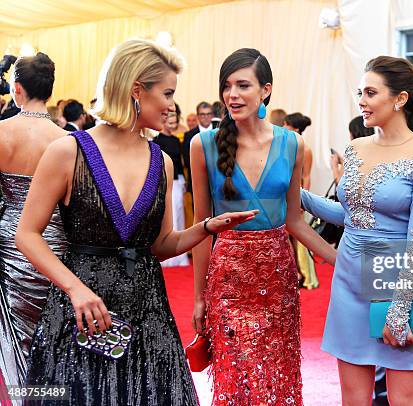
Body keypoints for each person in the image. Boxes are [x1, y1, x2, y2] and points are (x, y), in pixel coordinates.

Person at [16, 39, 257, 405]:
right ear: (136, 90)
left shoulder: (162, 161)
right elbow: (27, 235)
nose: (172, 105)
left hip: (149, 317)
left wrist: (206, 227)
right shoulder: (67, 151)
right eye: (168, 93)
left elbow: (161, 246)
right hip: (83, 315)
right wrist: (74, 289)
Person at [190, 48, 336, 405]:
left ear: (265, 90)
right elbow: (200, 228)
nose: (232, 95)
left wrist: (340, 259)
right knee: (235, 376)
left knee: (276, 375)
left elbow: (295, 222)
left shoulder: (292, 144)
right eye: (226, 86)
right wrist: (198, 298)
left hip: (277, 277)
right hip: (227, 278)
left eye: (243, 85)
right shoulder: (203, 145)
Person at [301, 56, 413, 405]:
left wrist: (399, 311)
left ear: (400, 99)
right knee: (353, 398)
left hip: (402, 285)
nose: (361, 101)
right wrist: (299, 195)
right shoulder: (354, 149)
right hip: (350, 281)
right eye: (359, 92)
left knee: (403, 400)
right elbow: (351, 215)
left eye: (370, 92)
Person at [0, 52, 67, 397]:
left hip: (9, 242)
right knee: (53, 335)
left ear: (17, 89)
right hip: (55, 243)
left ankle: (23, 397)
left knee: (16, 337)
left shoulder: (2, 133)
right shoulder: (67, 141)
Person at [283, 112, 317, 289]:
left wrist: (302, 200)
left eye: (286, 124)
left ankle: (304, 275)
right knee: (286, 235)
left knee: (300, 238)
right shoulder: (284, 146)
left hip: (297, 196)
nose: (283, 127)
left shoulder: (306, 150)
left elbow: (307, 176)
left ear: (295, 128)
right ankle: (292, 272)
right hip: (284, 195)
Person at [154, 111, 189, 266]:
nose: (173, 124)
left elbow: (180, 163)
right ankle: (168, 255)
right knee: (170, 215)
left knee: (180, 214)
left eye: (175, 121)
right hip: (166, 182)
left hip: (178, 181)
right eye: (170, 120)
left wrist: (184, 180)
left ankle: (179, 255)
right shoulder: (157, 140)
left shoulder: (176, 140)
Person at [330, 116, 375, 184]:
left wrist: (334, 166)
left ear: (354, 133)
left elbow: (341, 185)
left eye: (350, 133)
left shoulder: (353, 153)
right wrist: (343, 162)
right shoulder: (375, 150)